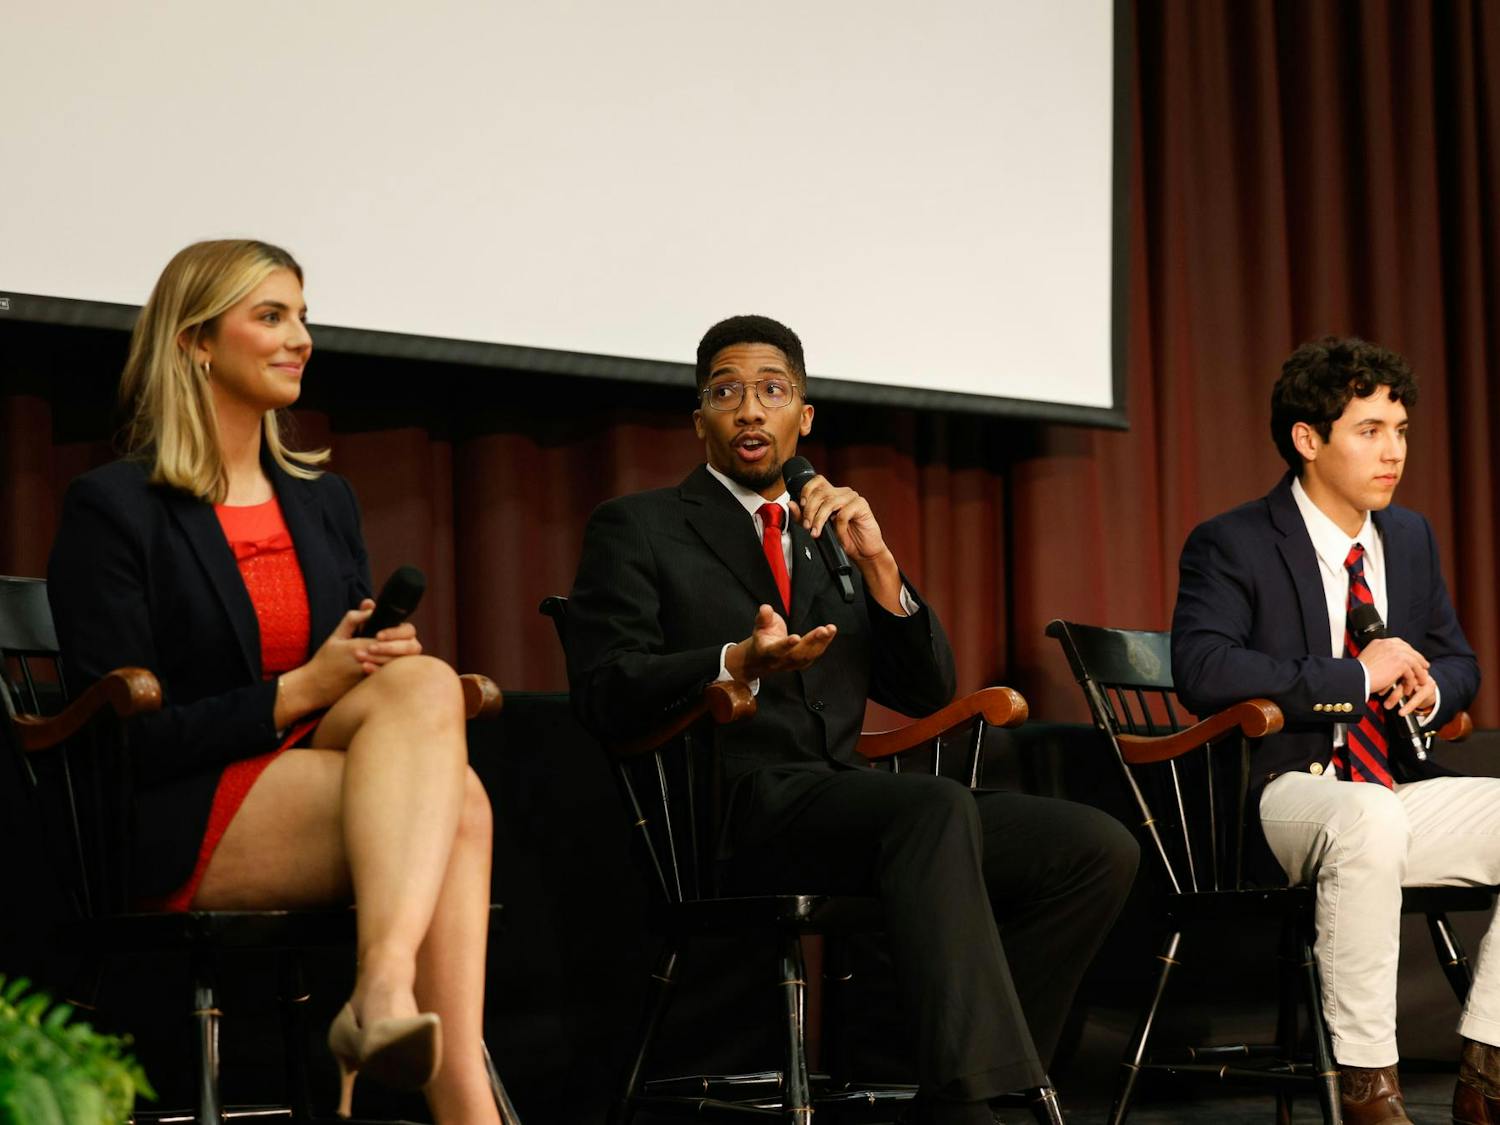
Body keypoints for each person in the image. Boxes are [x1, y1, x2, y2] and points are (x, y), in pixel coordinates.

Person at [564, 314, 1138, 1125]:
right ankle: (975, 1107)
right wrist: (734, 661)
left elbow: (925, 686)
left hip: (846, 803)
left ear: (806, 416)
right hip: (731, 809)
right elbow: (604, 687)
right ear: (700, 422)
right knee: (929, 808)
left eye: (773, 391)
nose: (751, 411)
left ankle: (959, 1085)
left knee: (1092, 847)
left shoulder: (827, 534)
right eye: (727, 393)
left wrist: (877, 562)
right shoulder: (641, 526)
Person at [47, 240, 500, 1125]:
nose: (300, 338)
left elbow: (355, 687)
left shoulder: (322, 501)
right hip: (176, 807)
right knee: (463, 802)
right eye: (272, 316)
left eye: (303, 316)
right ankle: (458, 1096)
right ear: (195, 343)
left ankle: (383, 990)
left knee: (424, 683)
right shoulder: (115, 507)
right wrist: (299, 687)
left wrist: (362, 666)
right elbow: (129, 737)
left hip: (311, 769)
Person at [1172, 336, 1498, 1124]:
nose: (1393, 452)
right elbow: (1204, 670)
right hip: (1285, 795)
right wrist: (1355, 677)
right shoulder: (1235, 540)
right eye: (1370, 430)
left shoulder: (1410, 537)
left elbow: (1460, 660)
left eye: (1401, 430)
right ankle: (1368, 1087)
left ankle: (1485, 1072)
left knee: (1396, 810)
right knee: (1368, 814)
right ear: (1308, 440)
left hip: (1388, 789)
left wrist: (1425, 685)